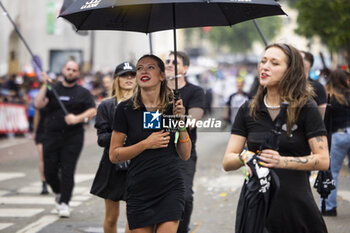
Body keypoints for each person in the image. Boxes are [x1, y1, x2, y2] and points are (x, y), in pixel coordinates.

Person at [222, 43, 330, 233]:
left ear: (290, 71)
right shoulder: (248, 109)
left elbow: (323, 160)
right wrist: (244, 157)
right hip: (256, 206)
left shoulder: (306, 107)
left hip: (295, 207)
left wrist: (281, 161)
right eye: (263, 61)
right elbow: (227, 160)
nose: (265, 67)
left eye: (274, 63)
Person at [109, 54, 192, 233]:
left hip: (170, 187)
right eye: (139, 68)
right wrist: (145, 144)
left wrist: (181, 124)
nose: (143, 71)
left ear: (162, 75)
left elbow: (185, 154)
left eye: (150, 67)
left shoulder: (173, 107)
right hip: (139, 188)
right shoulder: (125, 109)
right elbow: (114, 154)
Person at [34, 60, 96, 218]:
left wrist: (77, 118)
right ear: (63, 70)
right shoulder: (52, 88)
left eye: (74, 70)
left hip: (73, 137)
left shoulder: (83, 92)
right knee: (50, 171)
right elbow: (38, 104)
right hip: (51, 135)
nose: (70, 72)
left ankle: (64, 202)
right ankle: (58, 191)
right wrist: (44, 85)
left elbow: (92, 110)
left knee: (68, 170)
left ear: (78, 73)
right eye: (68, 69)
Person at [90, 62, 137, 233]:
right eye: (124, 75)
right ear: (117, 79)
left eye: (132, 75)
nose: (129, 78)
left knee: (133, 216)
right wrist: (122, 134)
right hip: (112, 164)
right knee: (111, 217)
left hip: (138, 163)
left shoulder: (146, 105)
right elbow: (101, 139)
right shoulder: (106, 106)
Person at [165, 51, 205, 233]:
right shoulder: (155, 90)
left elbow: (194, 120)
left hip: (184, 153)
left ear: (186, 68)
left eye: (175, 62)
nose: (170, 64)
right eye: (167, 61)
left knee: (185, 196)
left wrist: (182, 118)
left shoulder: (195, 92)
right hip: (157, 151)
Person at [322, 69, 350, 216]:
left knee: (332, 172)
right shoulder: (348, 95)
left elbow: (325, 121)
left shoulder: (329, 97)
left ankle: (329, 207)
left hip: (337, 135)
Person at [300, 50, 327, 119]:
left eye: (299, 58)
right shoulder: (289, 84)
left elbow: (322, 113)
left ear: (308, 64)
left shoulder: (318, 86)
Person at [33, 106, 48, 195]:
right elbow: (36, 116)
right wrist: (35, 132)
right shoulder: (41, 99)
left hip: (56, 131)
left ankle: (57, 181)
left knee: (57, 158)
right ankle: (44, 182)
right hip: (42, 131)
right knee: (42, 157)